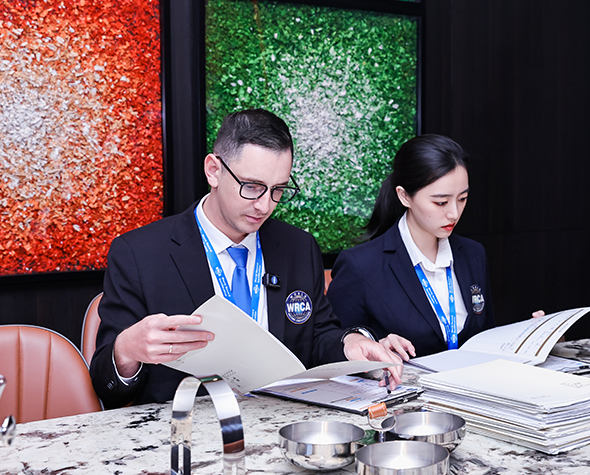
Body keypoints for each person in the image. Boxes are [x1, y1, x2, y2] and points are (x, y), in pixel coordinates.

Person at [90, 109, 402, 409]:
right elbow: (106, 387)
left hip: (279, 421)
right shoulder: (140, 254)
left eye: (278, 189)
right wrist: (126, 350)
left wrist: (350, 343)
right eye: (251, 187)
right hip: (186, 428)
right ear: (213, 170)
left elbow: (319, 336)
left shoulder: (297, 247)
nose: (265, 206)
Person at [328, 134, 544, 360]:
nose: (454, 213)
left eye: (462, 199)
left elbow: (485, 336)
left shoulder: (472, 254)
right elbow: (333, 348)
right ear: (404, 196)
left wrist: (527, 336)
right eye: (441, 202)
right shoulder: (361, 265)